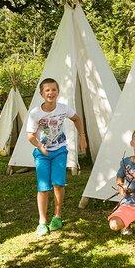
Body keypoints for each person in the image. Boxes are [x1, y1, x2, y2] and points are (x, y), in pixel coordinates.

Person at [27, 78, 87, 236]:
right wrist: (40, 146)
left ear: (58, 92)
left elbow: (76, 118)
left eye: (54, 89)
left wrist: (82, 136)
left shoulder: (63, 109)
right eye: (47, 90)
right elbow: (30, 136)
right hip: (42, 154)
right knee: (43, 187)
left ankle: (57, 216)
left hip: (60, 150)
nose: (50, 93)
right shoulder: (35, 113)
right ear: (41, 94)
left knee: (58, 184)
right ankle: (42, 222)